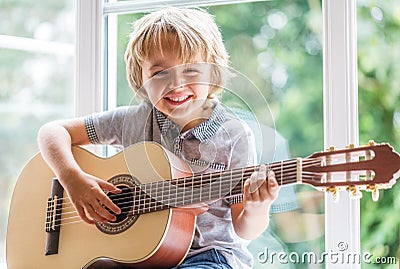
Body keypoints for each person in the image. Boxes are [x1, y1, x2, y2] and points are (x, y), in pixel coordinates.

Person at [37, 7, 280, 269]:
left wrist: (257, 207)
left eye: (190, 71)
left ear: (212, 72)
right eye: (159, 73)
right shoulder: (131, 121)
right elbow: (52, 132)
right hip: (134, 256)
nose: (175, 84)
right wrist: (73, 179)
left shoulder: (234, 135)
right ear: (139, 78)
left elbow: (245, 229)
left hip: (209, 256)